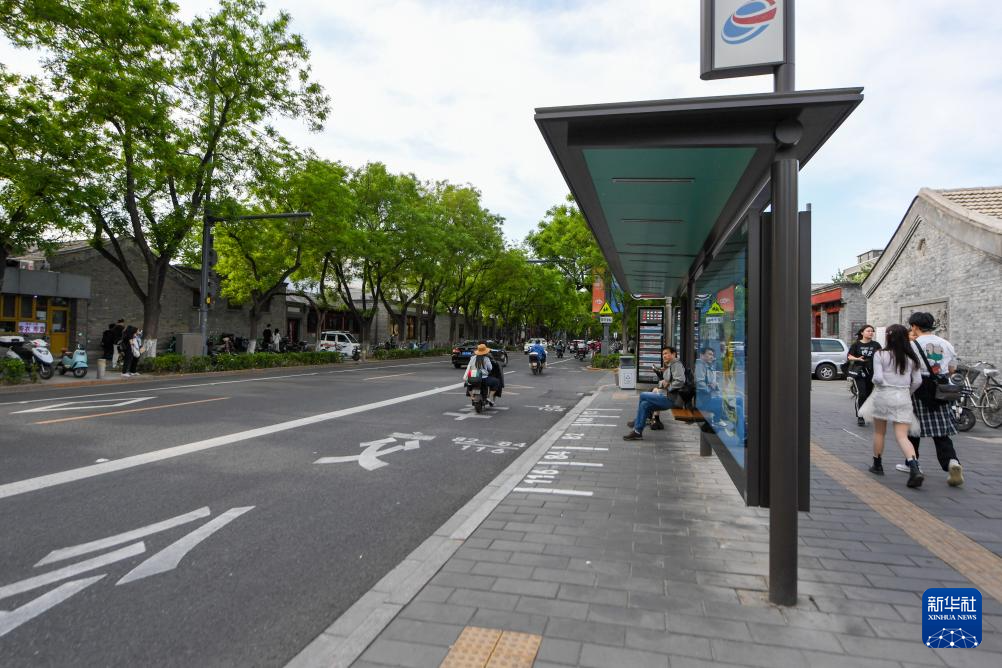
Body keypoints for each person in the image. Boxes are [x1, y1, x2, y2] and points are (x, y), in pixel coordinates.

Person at [859, 324, 924, 487]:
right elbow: (918, 381)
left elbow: (878, 378)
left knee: (879, 432)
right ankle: (914, 467)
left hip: (883, 395)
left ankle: (877, 464)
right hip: (903, 396)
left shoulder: (880, 354)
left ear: (888, 337)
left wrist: (878, 383)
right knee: (902, 436)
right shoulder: (912, 357)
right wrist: (907, 391)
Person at [905, 312, 963, 486]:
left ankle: (914, 465)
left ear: (915, 326)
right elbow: (952, 369)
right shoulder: (946, 343)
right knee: (941, 431)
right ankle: (952, 462)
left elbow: (907, 369)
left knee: (913, 428)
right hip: (941, 389)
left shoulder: (912, 345)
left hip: (919, 388)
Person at [624, 346, 684, 440]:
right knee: (644, 405)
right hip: (664, 395)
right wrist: (663, 383)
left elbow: (680, 381)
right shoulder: (669, 365)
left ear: (673, 354)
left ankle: (641, 420)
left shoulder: (676, 365)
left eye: (666, 353)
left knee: (643, 395)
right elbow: (663, 382)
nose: (664, 356)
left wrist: (668, 386)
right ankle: (637, 432)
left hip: (670, 398)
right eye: (663, 354)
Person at [848, 324, 882, 426]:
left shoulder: (876, 344)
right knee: (861, 394)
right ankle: (860, 416)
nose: (871, 333)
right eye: (868, 331)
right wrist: (857, 359)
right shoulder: (856, 344)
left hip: (871, 372)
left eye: (872, 331)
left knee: (867, 394)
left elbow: (881, 356)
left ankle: (866, 413)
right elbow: (849, 356)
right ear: (862, 332)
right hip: (859, 372)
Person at [694, 346, 724, 426]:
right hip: (703, 400)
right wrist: (710, 387)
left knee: (737, 403)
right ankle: (717, 420)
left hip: (707, 397)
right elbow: (700, 384)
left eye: (712, 355)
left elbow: (712, 383)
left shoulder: (708, 366)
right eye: (710, 354)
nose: (712, 357)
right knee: (732, 404)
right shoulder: (700, 365)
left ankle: (718, 420)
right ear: (702, 355)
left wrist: (714, 385)